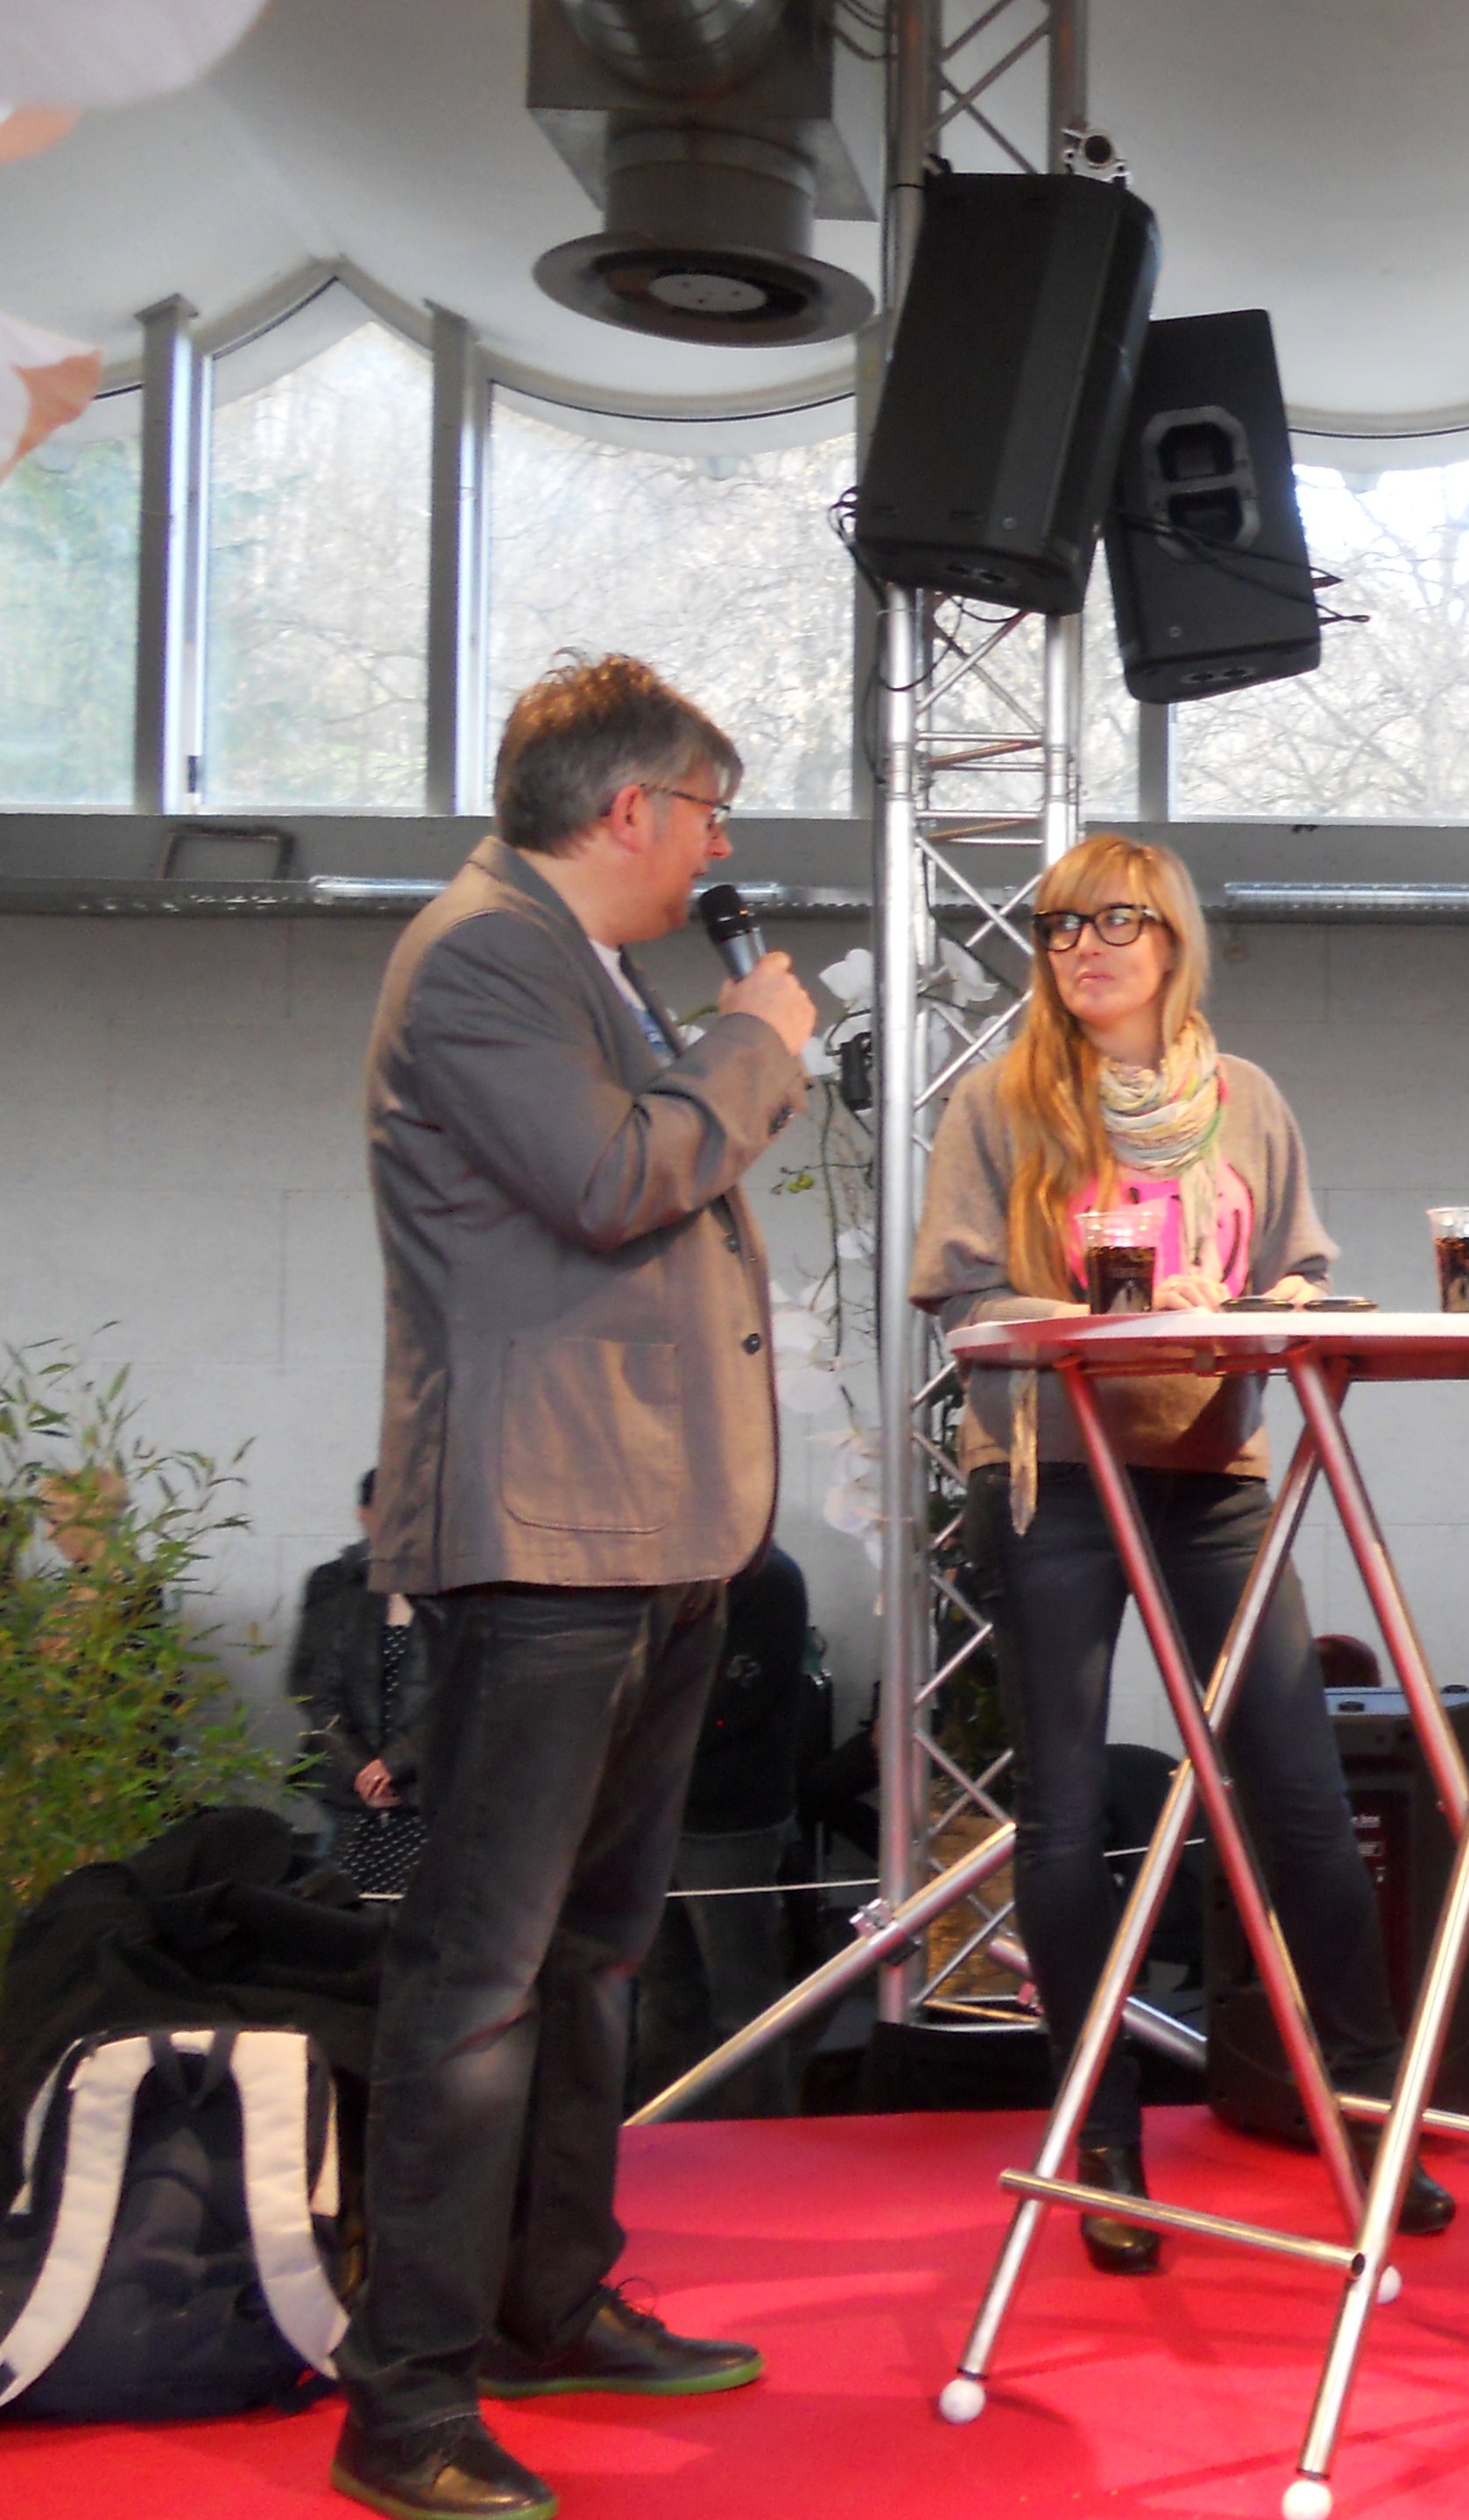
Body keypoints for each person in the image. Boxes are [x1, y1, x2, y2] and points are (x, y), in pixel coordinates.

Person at [342, 654, 815, 2520]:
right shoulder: (484, 955)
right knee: (479, 1975)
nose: (718, 851)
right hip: (542, 1540)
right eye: (710, 813)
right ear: (633, 810)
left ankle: (547, 2300)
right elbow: (614, 1178)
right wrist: (755, 1040)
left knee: (594, 1955)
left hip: (652, 1534)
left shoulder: (583, 964)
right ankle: (407, 2404)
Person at [912, 832, 1445, 2274]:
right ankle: (1101, 2137)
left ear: (1172, 939)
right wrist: (1089, 1309)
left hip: (1213, 1470)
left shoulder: (1247, 1100)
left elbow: (1300, 1270)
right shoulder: (1000, 1100)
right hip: (1053, 1469)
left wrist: (1274, 1300)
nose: (1084, 947)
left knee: (1303, 1789)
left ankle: (1367, 2109)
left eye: (1115, 921)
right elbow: (958, 1295)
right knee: (1066, 1810)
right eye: (1059, 925)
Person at [634, 1542, 821, 2117]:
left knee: (742, 1997)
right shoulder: (667, 1569)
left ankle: (755, 2133)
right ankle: (667, 2132)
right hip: (654, 1810)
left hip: (728, 1817)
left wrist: (641, 1742)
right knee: (665, 1992)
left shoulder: (768, 1578)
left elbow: (736, 1699)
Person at [289, 1469, 432, 1894]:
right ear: (365, 1515)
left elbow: (467, 1693)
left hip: (431, 1784)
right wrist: (361, 1769)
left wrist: (398, 1763)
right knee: (336, 1903)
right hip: (351, 1783)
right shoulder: (339, 1587)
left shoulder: (458, 1597)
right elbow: (313, 1686)